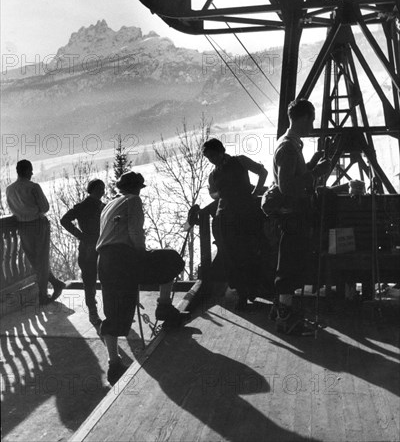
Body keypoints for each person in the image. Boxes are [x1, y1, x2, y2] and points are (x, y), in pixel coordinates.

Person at [96, 171, 190, 386]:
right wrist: (142, 255)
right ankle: (164, 306)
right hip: (125, 257)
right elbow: (135, 231)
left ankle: (113, 362)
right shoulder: (133, 200)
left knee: (113, 310)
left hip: (105, 260)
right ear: (137, 187)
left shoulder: (109, 204)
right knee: (171, 259)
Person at [272, 98, 331, 334]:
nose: (313, 124)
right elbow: (287, 186)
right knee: (289, 265)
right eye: (312, 119)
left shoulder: (290, 144)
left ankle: (284, 312)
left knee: (291, 264)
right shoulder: (288, 147)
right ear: (304, 118)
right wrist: (316, 173)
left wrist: (310, 164)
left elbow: (293, 175)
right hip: (293, 214)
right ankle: (286, 318)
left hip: (294, 214)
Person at [202, 138, 269, 309]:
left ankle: (254, 290)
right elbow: (213, 194)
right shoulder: (213, 174)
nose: (211, 159)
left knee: (250, 251)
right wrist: (219, 195)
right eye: (208, 157)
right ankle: (242, 294)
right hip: (225, 218)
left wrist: (255, 192)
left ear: (220, 150)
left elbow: (263, 172)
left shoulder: (240, 160)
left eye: (212, 155)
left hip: (246, 214)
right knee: (232, 256)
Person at [6, 159, 66, 305]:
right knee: (42, 259)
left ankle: (52, 287)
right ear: (26, 171)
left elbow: (12, 208)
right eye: (31, 170)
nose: (32, 173)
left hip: (22, 226)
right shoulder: (33, 187)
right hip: (38, 225)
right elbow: (45, 207)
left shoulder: (9, 189)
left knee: (34, 260)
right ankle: (44, 294)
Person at [60, 179, 105, 326]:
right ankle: (93, 312)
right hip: (89, 249)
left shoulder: (103, 206)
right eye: (99, 189)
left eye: (103, 189)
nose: (102, 191)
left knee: (102, 280)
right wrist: (80, 235)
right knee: (90, 281)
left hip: (100, 247)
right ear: (91, 190)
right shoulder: (83, 207)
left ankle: (107, 312)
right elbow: (64, 220)